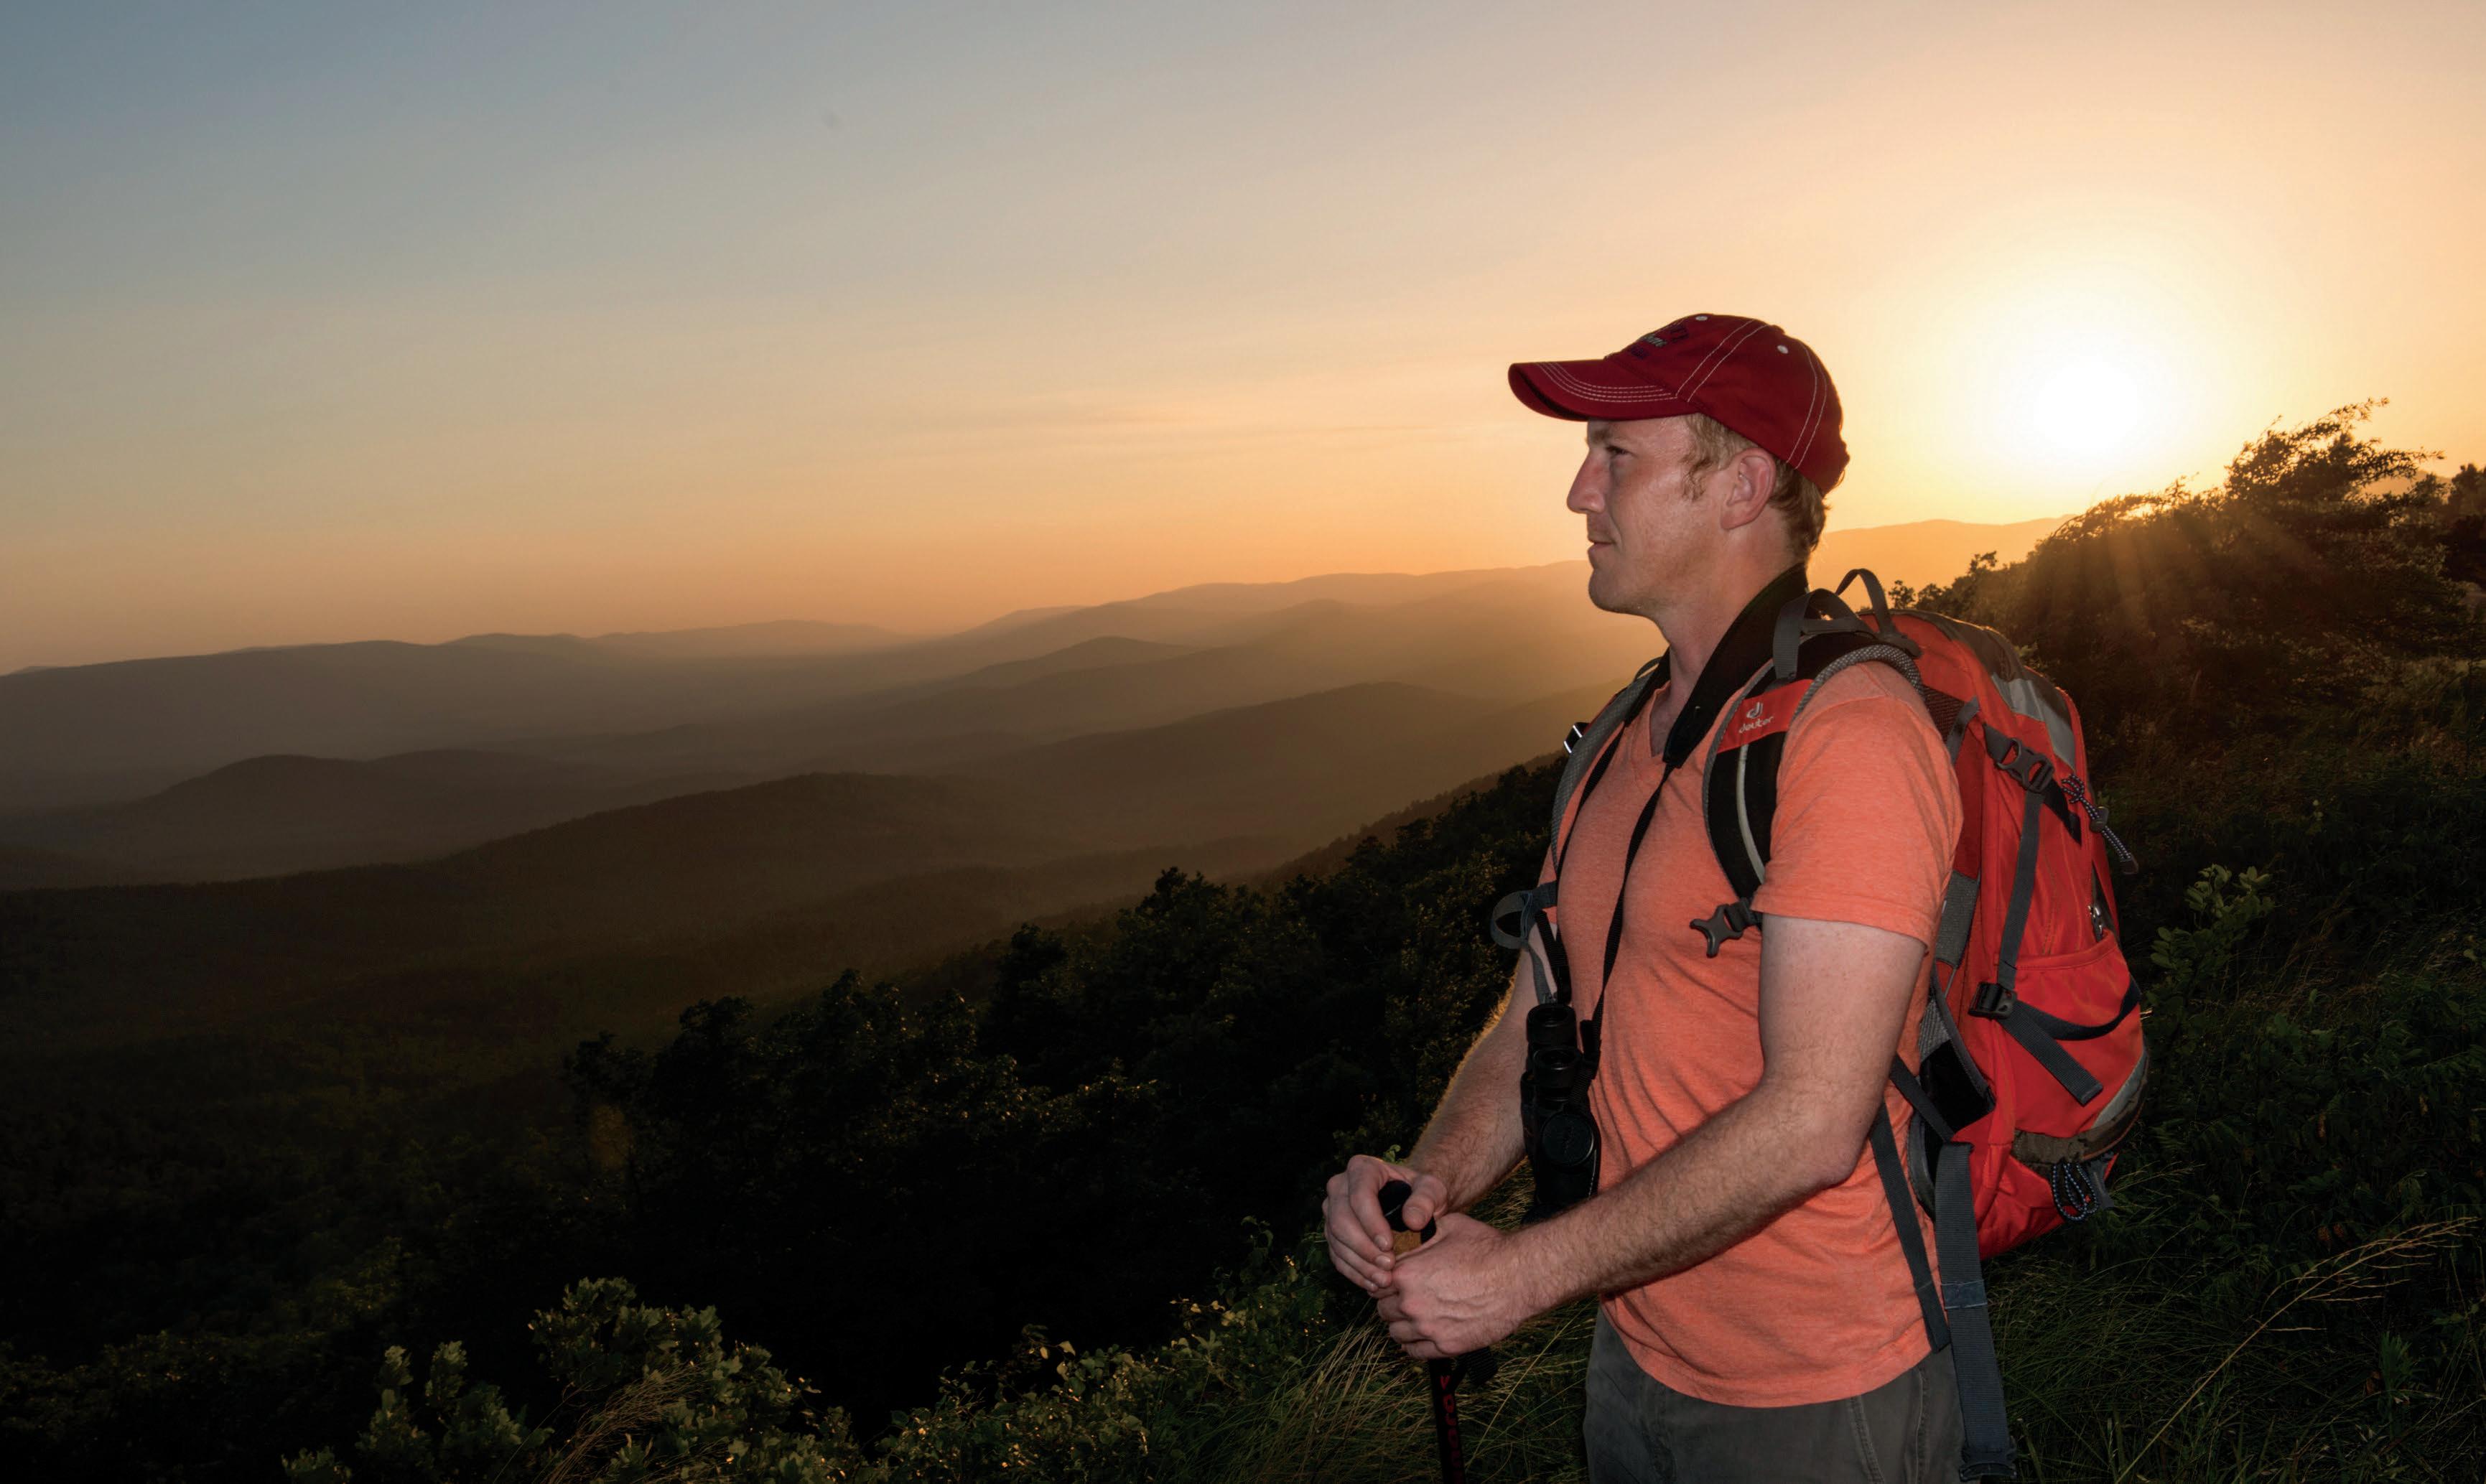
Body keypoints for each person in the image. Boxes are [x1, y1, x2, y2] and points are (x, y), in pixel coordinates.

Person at [1322, 314, 1967, 1483]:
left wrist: (1521, 1276)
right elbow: (1540, 1011)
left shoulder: (1851, 737)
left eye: (1615, 455)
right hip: (1635, 1350)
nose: (1579, 492)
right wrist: (1431, 1182)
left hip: (1814, 1392)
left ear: (1742, 486)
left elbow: (1814, 1122)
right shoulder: (1628, 733)